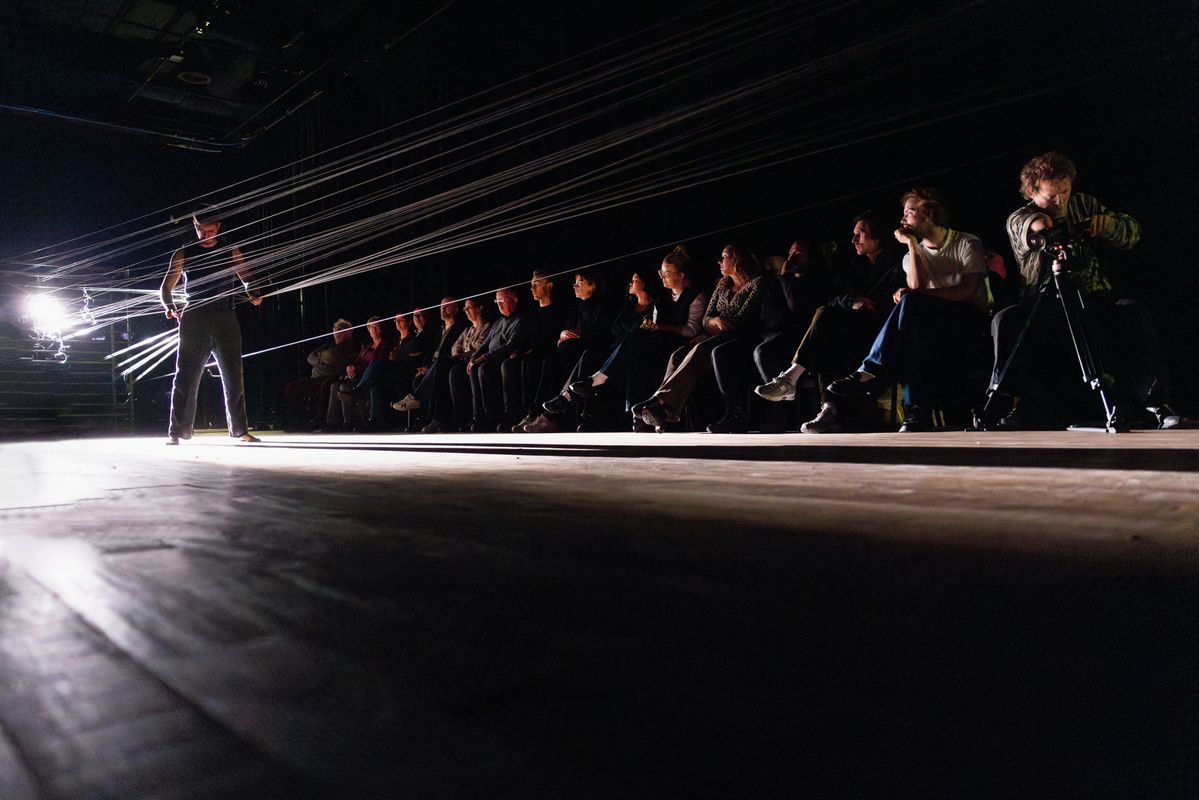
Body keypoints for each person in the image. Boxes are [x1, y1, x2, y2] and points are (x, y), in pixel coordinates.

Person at [989, 151, 1180, 429]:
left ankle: (1155, 403)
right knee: (1005, 320)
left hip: (1093, 298)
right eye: (1052, 196)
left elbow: (1132, 234)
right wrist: (1045, 229)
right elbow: (1032, 228)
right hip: (1044, 305)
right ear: (1031, 191)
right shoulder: (1019, 217)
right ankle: (1009, 405)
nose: (1060, 201)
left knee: (1134, 314)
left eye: (1065, 192)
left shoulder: (1085, 205)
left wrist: (1109, 226)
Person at [826, 188, 988, 431]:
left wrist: (917, 296)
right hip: (931, 323)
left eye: (909, 212)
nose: (902, 219)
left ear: (928, 214)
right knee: (914, 334)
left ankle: (872, 372)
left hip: (967, 317)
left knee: (912, 307)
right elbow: (916, 288)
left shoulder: (966, 242)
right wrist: (912, 245)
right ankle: (915, 412)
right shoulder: (910, 256)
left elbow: (968, 291)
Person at [754, 211, 904, 433]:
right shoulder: (853, 267)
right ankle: (828, 409)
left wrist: (871, 304)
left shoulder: (897, 264)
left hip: (880, 331)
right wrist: (851, 300)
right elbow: (833, 298)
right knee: (825, 337)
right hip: (850, 327)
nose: (853, 240)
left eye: (860, 234)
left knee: (825, 326)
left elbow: (900, 299)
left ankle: (791, 380)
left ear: (878, 236)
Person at [634, 242, 766, 432]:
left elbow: (742, 319)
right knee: (677, 355)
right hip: (716, 334)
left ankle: (659, 402)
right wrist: (715, 321)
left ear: (738, 260)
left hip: (742, 336)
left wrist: (715, 324)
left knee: (701, 349)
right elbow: (707, 319)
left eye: (725, 256)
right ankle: (664, 411)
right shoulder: (723, 285)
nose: (719, 261)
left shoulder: (757, 283)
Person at [160, 205, 262, 445]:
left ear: (218, 227)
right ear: (195, 227)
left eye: (212, 231)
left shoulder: (230, 250)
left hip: (225, 317)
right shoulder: (183, 253)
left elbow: (247, 277)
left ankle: (240, 430)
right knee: (186, 375)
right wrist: (170, 306)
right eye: (202, 231)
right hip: (194, 319)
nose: (207, 236)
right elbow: (166, 287)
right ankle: (177, 432)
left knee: (234, 376)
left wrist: (253, 292)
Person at [281, 318, 357, 430]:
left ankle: (320, 421)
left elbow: (337, 364)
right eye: (334, 329)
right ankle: (292, 420)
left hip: (332, 377)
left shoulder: (349, 347)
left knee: (325, 386)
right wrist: (322, 360)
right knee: (292, 387)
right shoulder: (328, 345)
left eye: (340, 329)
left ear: (348, 332)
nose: (336, 332)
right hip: (316, 377)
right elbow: (310, 357)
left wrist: (319, 363)